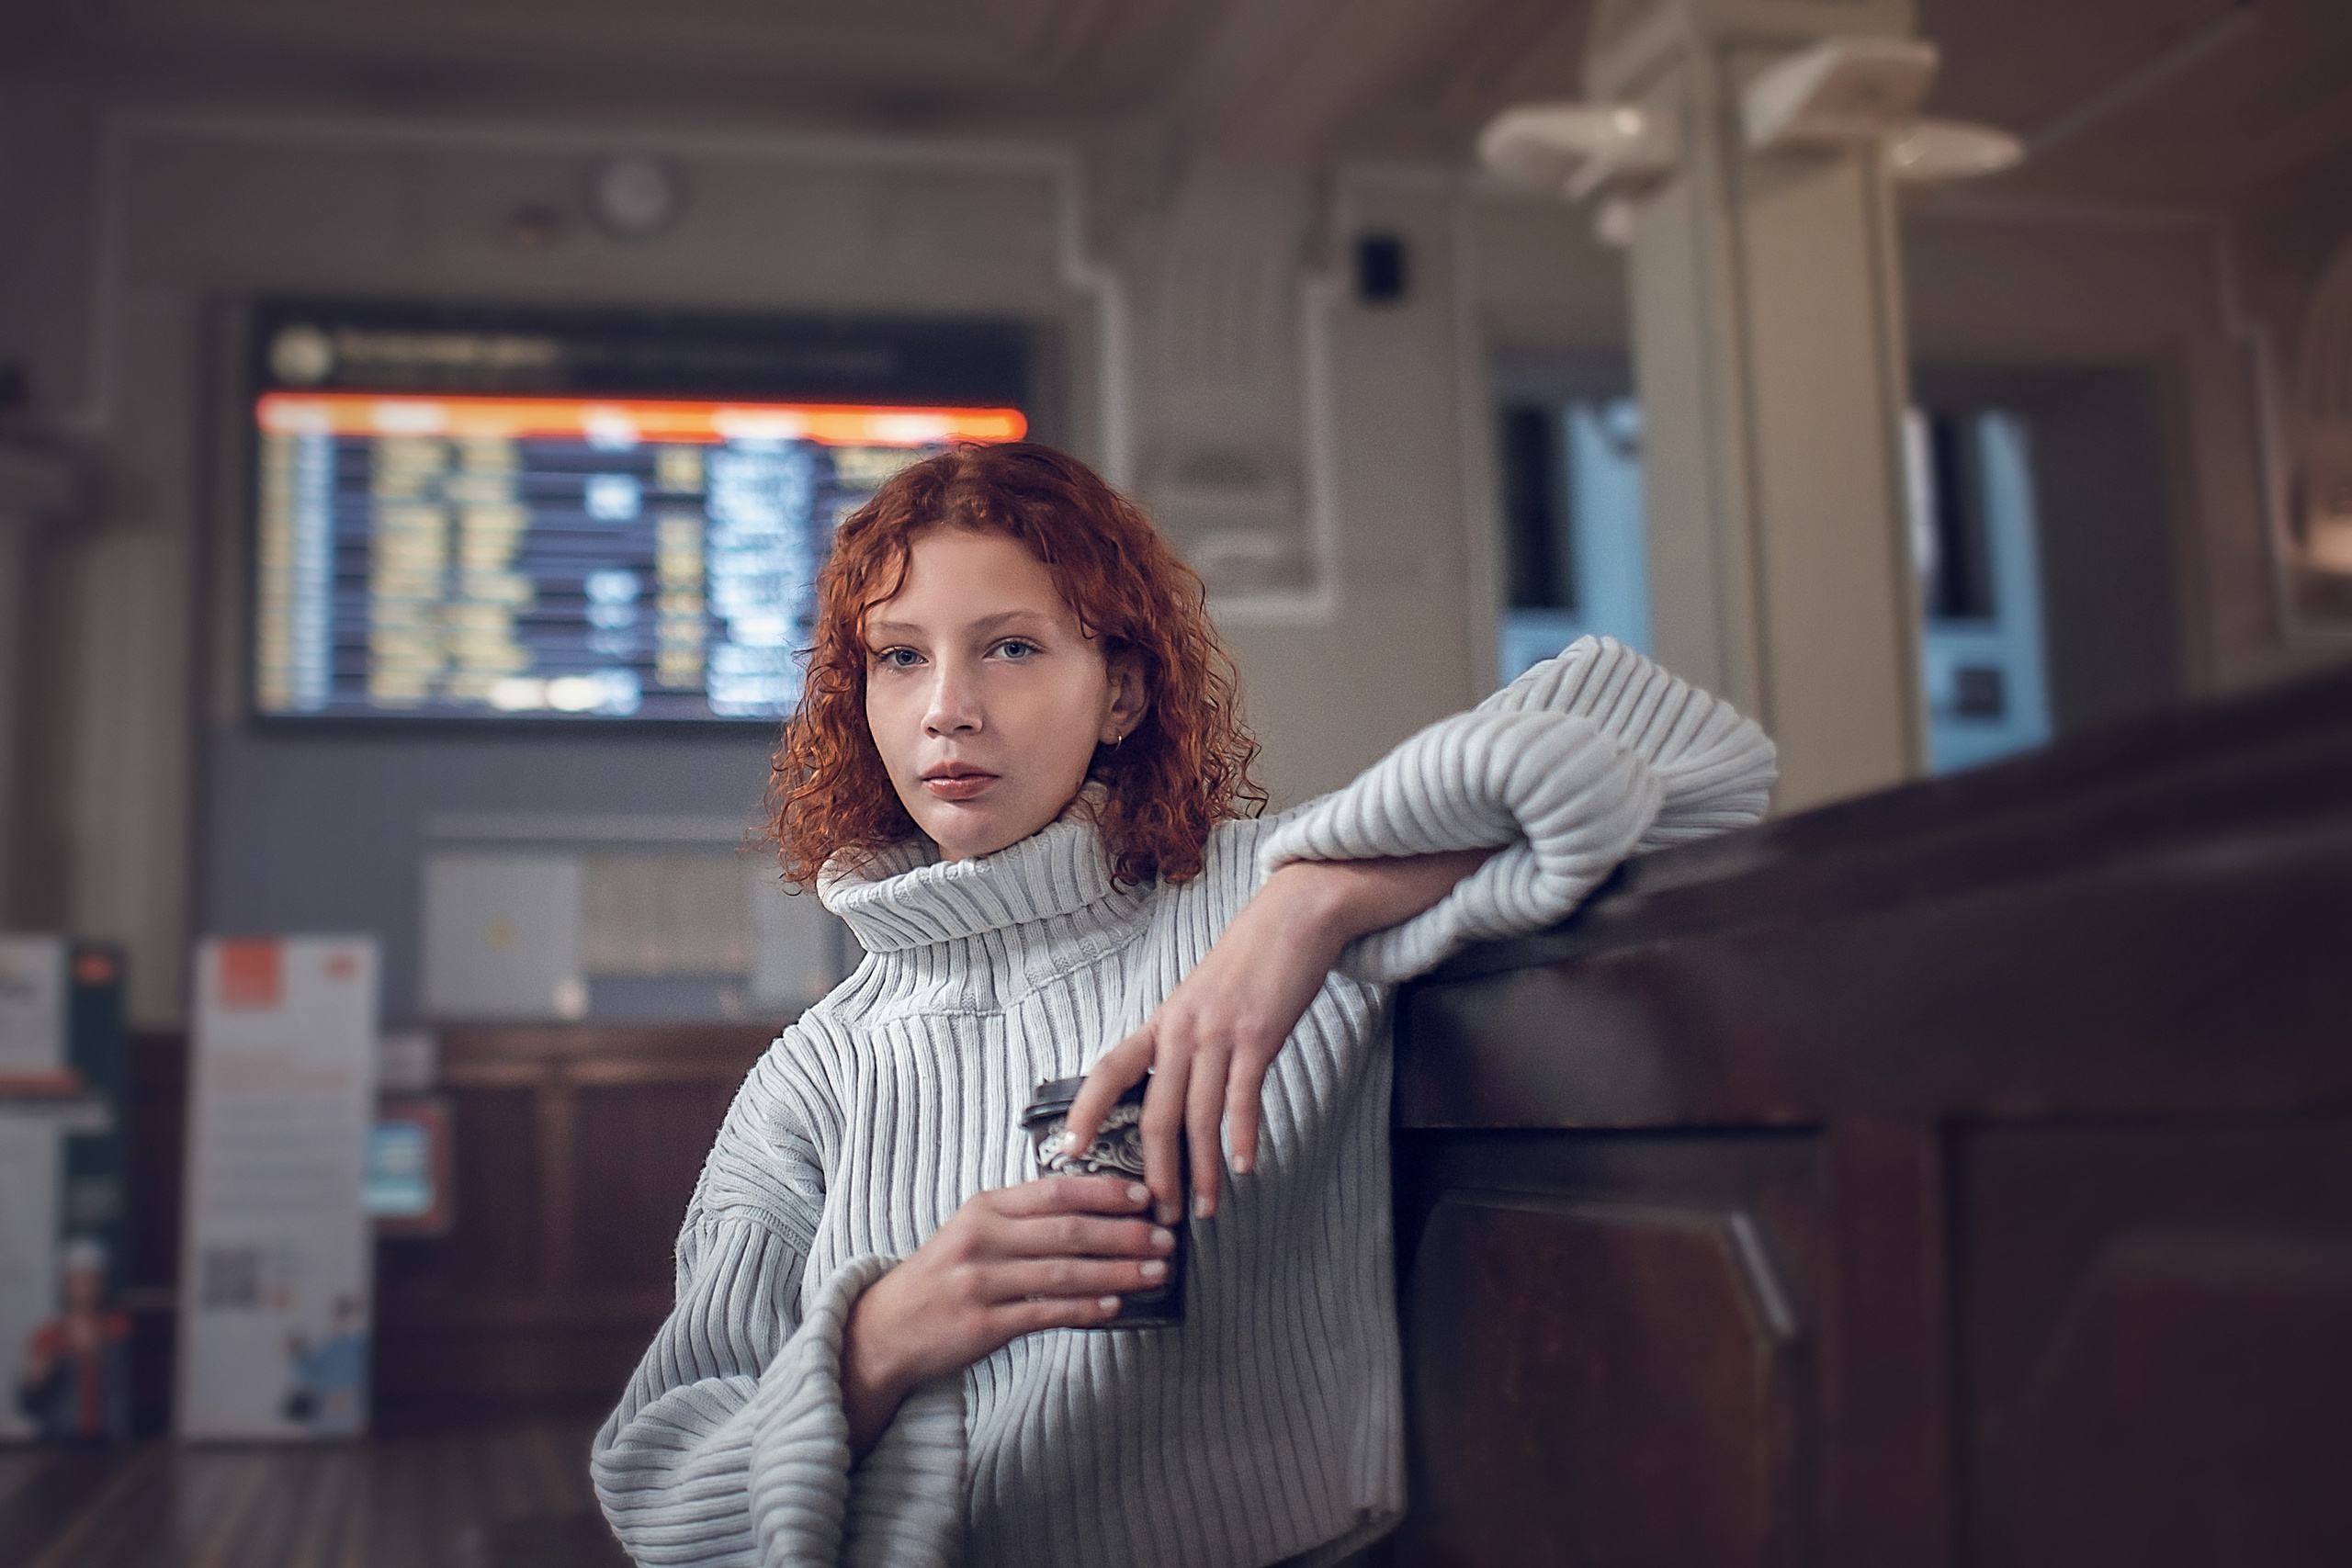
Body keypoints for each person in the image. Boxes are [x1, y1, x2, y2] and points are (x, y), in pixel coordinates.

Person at [592, 442, 1775, 1566]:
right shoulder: (814, 1078)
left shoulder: (1273, 906)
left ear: (1121, 692)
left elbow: (1702, 758)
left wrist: (1301, 912)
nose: (947, 707)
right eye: (899, 657)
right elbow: (660, 1488)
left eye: (1010, 648)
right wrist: (879, 1340)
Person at [17, 1235, 130, 1441]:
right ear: (65, 1285)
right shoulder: (48, 1337)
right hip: (60, 1443)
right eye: (78, 1279)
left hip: (111, 1443)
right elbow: (28, 1406)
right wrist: (34, 1382)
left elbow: (134, 1390)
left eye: (91, 1279)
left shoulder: (120, 1329)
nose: (85, 1287)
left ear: (102, 1283)